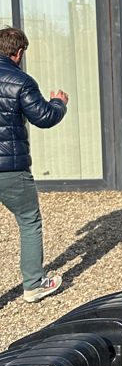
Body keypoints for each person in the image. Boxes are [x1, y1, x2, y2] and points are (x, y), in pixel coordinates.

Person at [0, 27, 68, 302]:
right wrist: (58, 102)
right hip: (10, 169)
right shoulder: (21, 81)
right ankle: (34, 284)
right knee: (29, 221)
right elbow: (44, 117)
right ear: (18, 53)